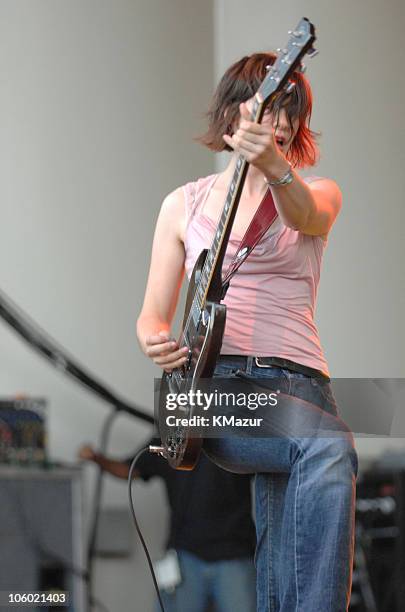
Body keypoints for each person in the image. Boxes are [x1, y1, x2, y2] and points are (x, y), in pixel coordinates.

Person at [136, 51, 358, 611]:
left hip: (304, 388)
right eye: (273, 106)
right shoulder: (183, 205)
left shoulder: (319, 191)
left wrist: (279, 171)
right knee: (329, 449)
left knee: (286, 537)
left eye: (294, 111)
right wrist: (152, 336)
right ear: (235, 111)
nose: (282, 122)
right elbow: (152, 313)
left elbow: (305, 215)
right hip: (218, 389)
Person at [78, 439, 256, 612]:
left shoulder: (236, 430)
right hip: (184, 555)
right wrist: (98, 459)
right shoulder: (172, 436)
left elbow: (265, 461)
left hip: (236, 554)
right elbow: (129, 469)